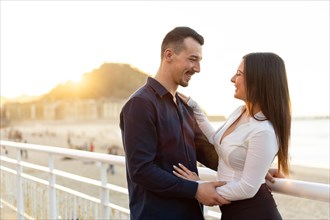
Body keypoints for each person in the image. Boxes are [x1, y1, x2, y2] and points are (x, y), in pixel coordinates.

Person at [120, 26, 230, 220]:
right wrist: (195, 189)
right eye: (192, 59)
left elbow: (208, 153)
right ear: (169, 55)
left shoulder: (184, 107)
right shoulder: (140, 104)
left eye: (199, 61)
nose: (198, 68)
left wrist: (254, 169)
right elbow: (141, 170)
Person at [173, 52, 291, 220]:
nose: (232, 78)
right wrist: (196, 109)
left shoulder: (263, 130)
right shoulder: (240, 112)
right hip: (232, 212)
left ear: (258, 80)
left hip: (255, 213)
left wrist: (200, 187)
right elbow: (217, 140)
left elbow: (247, 188)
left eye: (239, 74)